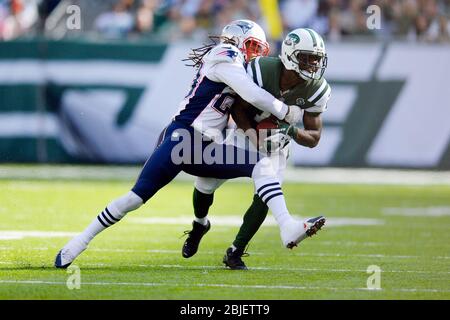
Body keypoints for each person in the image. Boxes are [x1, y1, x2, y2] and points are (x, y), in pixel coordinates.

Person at [54, 19, 312, 268]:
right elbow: (251, 93)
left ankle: (284, 225)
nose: (255, 54)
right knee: (135, 198)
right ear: (238, 39)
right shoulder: (226, 53)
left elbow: (245, 103)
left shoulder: (240, 66)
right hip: (183, 138)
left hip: (207, 147)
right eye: (253, 46)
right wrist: (286, 112)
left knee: (259, 167)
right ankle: (79, 242)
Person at [182, 28, 330, 270]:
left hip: (277, 144)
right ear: (291, 55)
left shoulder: (317, 88)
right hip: (244, 133)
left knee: (266, 195)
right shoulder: (262, 69)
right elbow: (237, 108)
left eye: (317, 59)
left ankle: (235, 251)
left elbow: (314, 138)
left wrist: (288, 131)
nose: (313, 64)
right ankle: (200, 223)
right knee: (205, 182)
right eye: (307, 57)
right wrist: (253, 134)